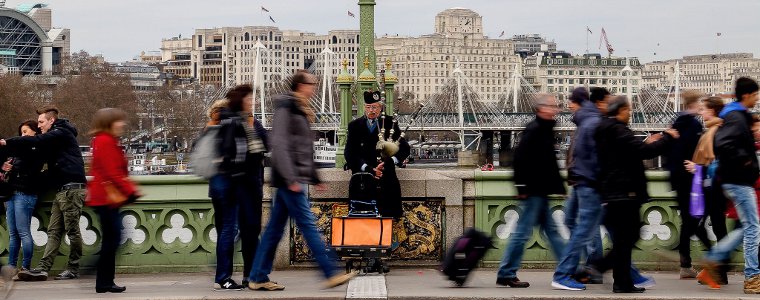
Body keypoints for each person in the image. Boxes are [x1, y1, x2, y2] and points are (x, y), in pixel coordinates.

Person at [247, 70, 355, 291]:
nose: (314, 86)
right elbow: (281, 146)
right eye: (311, 83)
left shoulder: (298, 110)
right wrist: (290, 178)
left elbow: (304, 150)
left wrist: (315, 177)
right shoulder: (287, 110)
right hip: (290, 180)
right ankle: (330, 272)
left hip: (294, 177)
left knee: (274, 231)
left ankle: (258, 276)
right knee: (308, 226)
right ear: (300, 85)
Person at [594, 96, 677, 293]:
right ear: (621, 110)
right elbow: (643, 152)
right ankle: (601, 268)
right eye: (628, 110)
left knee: (624, 239)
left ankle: (621, 281)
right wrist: (667, 137)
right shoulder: (619, 130)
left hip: (611, 191)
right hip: (625, 192)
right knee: (629, 237)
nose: (630, 113)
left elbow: (629, 152)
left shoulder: (605, 129)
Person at [2, 106, 87, 281]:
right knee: (53, 231)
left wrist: (6, 142)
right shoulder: (54, 139)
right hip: (61, 189)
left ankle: (73, 268)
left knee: (72, 231)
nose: (39, 125)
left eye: (41, 122)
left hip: (72, 188)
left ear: (51, 121)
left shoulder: (61, 132)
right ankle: (42, 268)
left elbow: (36, 142)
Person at [496, 94, 565, 288]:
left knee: (552, 231)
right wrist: (522, 187)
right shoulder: (534, 130)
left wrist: (559, 187)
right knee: (523, 233)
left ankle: (568, 268)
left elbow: (549, 163)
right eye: (553, 106)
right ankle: (506, 272)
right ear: (542, 109)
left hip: (540, 190)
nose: (556, 109)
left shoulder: (544, 129)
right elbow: (520, 159)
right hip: (533, 190)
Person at [702, 77, 760, 294]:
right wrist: (745, 160)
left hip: (733, 180)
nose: (756, 98)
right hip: (740, 180)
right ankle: (753, 277)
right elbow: (724, 143)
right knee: (753, 228)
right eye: (755, 95)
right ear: (746, 95)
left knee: (748, 227)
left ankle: (714, 256)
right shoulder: (736, 116)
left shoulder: (734, 114)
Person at [212, 85, 269, 291]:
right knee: (230, 230)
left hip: (247, 186)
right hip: (236, 188)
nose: (252, 101)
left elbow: (266, 144)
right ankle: (224, 276)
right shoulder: (232, 122)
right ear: (240, 100)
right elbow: (232, 156)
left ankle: (250, 275)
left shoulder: (249, 122)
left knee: (250, 230)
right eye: (249, 98)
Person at [552, 87, 602, 291]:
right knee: (578, 225)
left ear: (578, 102)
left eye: (571, 101)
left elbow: (586, 156)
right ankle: (591, 267)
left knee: (582, 228)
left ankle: (568, 272)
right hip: (583, 182)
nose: (568, 105)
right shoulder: (586, 120)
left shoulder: (588, 121)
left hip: (585, 183)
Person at [86, 108, 140, 293]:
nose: (122, 124)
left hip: (104, 198)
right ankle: (97, 273)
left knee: (112, 238)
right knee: (115, 238)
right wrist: (131, 191)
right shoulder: (106, 141)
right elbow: (113, 172)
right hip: (106, 198)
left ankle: (104, 281)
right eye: (119, 121)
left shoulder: (102, 140)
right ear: (109, 123)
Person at [683, 96, 729, 283]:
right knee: (717, 228)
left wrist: (697, 168)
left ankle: (718, 266)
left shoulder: (715, 131)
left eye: (704, 109)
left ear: (713, 111)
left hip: (713, 188)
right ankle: (719, 269)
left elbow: (717, 162)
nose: (701, 113)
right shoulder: (713, 130)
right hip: (711, 187)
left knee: (703, 227)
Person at [345, 91, 410, 219]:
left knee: (387, 222)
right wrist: (369, 169)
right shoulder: (354, 126)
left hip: (386, 181)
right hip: (364, 180)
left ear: (381, 107)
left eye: (375, 107)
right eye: (368, 107)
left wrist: (391, 161)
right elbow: (350, 153)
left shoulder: (391, 123)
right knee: (364, 222)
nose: (371, 111)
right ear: (364, 107)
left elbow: (404, 148)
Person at [665, 90, 708, 279]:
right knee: (695, 219)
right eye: (699, 103)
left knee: (689, 219)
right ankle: (713, 254)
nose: (701, 106)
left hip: (677, 178)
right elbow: (699, 152)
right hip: (692, 178)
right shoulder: (694, 125)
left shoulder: (676, 123)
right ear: (694, 103)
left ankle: (686, 263)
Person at [3, 121, 44, 279]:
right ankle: (12, 267)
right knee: (13, 234)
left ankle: (25, 267)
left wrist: (14, 167)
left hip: (25, 193)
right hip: (13, 193)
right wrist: (6, 166)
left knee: (23, 232)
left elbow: (32, 170)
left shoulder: (37, 149)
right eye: (21, 133)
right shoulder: (19, 150)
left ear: (35, 132)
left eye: (26, 132)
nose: (23, 135)